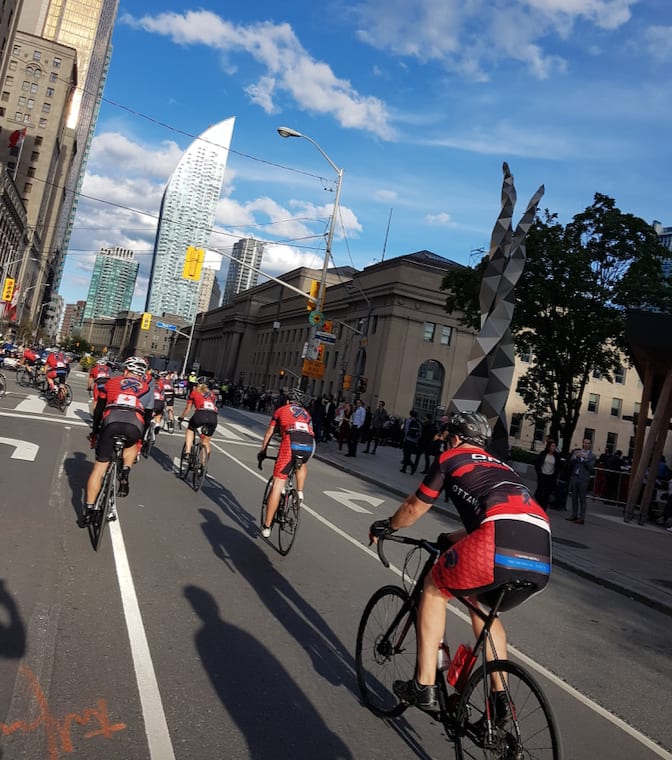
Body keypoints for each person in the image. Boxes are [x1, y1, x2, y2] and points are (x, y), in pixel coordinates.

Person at [369, 411, 551, 713]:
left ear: (454, 438)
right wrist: (451, 539)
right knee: (483, 608)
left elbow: (414, 508)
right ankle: (500, 700)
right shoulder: (504, 468)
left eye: (446, 438)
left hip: (497, 541)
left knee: (433, 587)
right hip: (541, 550)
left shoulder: (451, 458)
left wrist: (388, 525)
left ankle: (423, 684)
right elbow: (500, 516)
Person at [83, 356, 152, 522]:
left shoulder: (112, 382)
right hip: (134, 423)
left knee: (99, 469)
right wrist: (140, 439)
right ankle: (126, 471)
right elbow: (148, 417)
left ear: (126, 371)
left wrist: (95, 432)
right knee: (131, 445)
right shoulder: (147, 388)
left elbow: (98, 411)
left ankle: (89, 510)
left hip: (111, 420)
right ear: (142, 374)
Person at [257, 387, 315, 538]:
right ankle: (300, 492)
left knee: (277, 485)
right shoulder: (307, 414)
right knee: (301, 463)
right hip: (308, 444)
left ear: (288, 401)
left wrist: (263, 451)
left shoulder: (281, 410)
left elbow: (270, 432)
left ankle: (267, 526)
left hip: (290, 443)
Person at [179, 380, 219, 459]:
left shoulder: (194, 392)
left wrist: (182, 417)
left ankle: (187, 451)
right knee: (206, 442)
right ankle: (204, 466)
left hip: (200, 414)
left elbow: (188, 408)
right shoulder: (212, 394)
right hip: (213, 416)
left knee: (190, 429)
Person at [566, 438, 596, 524]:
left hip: (584, 478)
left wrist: (583, 459)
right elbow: (572, 460)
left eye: (588, 443)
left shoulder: (592, 456)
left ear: (590, 445)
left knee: (582, 499)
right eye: (585, 443)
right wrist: (576, 456)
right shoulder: (577, 452)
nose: (586, 445)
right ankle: (573, 514)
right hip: (575, 476)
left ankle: (581, 517)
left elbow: (590, 467)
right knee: (574, 497)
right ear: (583, 443)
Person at [533, 439, 561, 510]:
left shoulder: (556, 456)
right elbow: (538, 463)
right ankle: (534, 504)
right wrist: (539, 472)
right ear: (549, 446)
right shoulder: (543, 453)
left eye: (555, 446)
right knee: (539, 490)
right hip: (542, 474)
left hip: (550, 476)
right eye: (552, 446)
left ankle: (543, 507)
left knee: (547, 492)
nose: (553, 448)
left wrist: (555, 475)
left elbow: (558, 466)